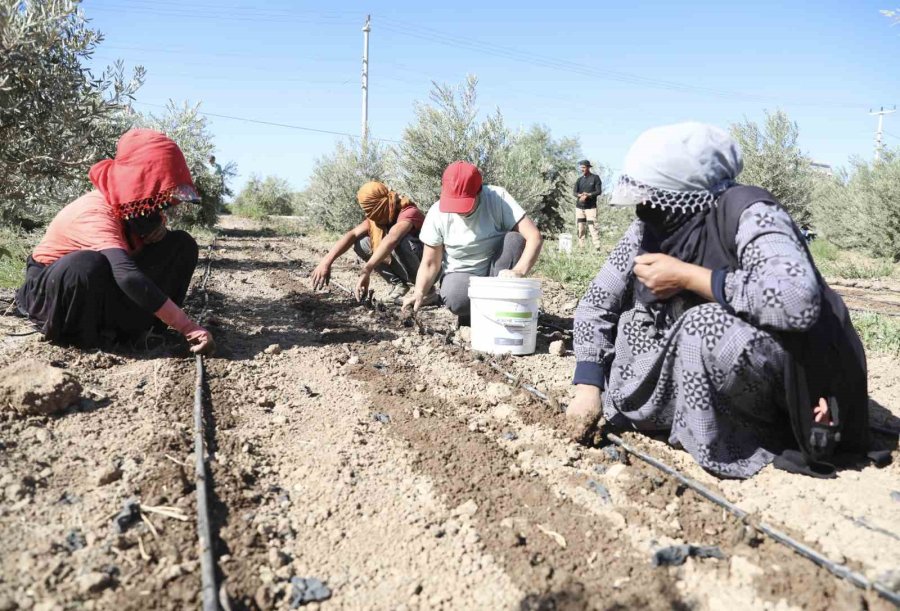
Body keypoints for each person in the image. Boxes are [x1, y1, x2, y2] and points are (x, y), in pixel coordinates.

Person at [566, 122, 871, 479]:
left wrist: (688, 277)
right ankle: (678, 418)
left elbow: (795, 299)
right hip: (717, 372)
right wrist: (587, 384)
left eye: (654, 196)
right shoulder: (651, 225)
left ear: (683, 191)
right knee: (634, 319)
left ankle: (744, 441)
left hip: (795, 370)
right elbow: (596, 304)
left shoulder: (750, 214)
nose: (646, 208)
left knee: (703, 325)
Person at [15, 129, 214, 355]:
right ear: (141, 182)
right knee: (87, 264)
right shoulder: (95, 211)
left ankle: (145, 330)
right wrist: (188, 326)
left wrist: (153, 232)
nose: (164, 204)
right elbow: (126, 275)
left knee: (181, 244)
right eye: (160, 196)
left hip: (100, 289)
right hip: (52, 294)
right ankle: (82, 338)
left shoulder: (139, 211)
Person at [403, 161, 543, 325]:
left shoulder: (497, 199)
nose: (459, 210)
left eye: (465, 204)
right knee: (456, 297)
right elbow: (430, 262)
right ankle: (471, 313)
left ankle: (500, 310)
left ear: (479, 192)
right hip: (462, 275)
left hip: (497, 270)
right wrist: (419, 292)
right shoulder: (437, 213)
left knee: (515, 239)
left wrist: (519, 271)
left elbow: (534, 236)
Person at [311, 181, 432, 304]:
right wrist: (326, 261)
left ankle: (428, 291)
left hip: (430, 267)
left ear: (378, 206)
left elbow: (392, 238)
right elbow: (352, 234)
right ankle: (399, 285)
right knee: (361, 243)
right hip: (409, 262)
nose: (367, 214)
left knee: (399, 240)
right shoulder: (380, 216)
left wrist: (367, 270)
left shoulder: (409, 212)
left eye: (368, 209)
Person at [573, 159, 603, 251]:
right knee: (580, 227)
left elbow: (598, 191)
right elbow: (574, 192)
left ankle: (597, 248)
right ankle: (581, 248)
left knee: (592, 227)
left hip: (591, 208)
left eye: (583, 167)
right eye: (580, 167)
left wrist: (588, 195)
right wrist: (580, 195)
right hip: (579, 208)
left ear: (588, 168)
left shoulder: (595, 178)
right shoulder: (579, 180)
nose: (582, 169)